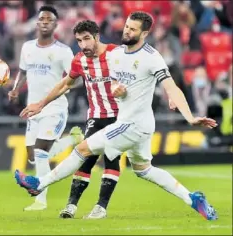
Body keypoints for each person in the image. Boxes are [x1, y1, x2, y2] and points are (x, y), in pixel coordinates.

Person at [15, 12, 218, 221]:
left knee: (82, 149)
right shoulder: (117, 54)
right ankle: (193, 198)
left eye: (133, 29)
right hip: (136, 124)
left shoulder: (151, 57)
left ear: (145, 33)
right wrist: (116, 89)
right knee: (144, 170)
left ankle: (38, 185)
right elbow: (113, 82)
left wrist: (190, 117)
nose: (127, 30)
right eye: (127, 26)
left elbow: (171, 86)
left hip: (133, 124)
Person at [17, 20, 123, 219]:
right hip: (95, 116)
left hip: (119, 117)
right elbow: (65, 84)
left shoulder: (116, 54)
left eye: (87, 39)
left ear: (97, 37)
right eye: (79, 41)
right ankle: (71, 206)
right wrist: (41, 104)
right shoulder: (79, 60)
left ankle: (100, 207)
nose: (83, 45)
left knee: (111, 158)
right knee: (85, 160)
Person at [8, 5, 83, 211]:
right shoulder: (27, 48)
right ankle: (72, 140)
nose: (45, 22)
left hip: (55, 108)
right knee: (34, 157)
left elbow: (76, 78)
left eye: (49, 19)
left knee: (41, 153)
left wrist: (66, 85)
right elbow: (23, 71)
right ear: (37, 23)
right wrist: (15, 90)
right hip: (32, 109)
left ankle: (40, 200)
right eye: (42, 19)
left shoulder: (63, 51)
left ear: (56, 24)